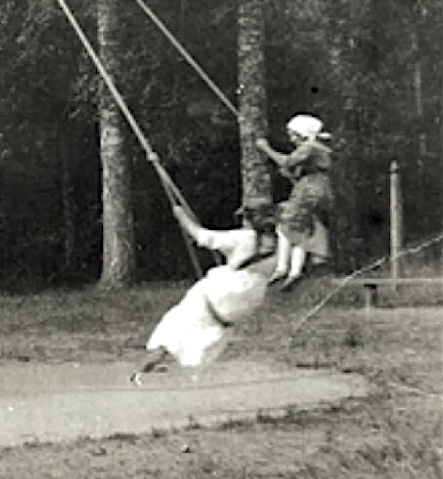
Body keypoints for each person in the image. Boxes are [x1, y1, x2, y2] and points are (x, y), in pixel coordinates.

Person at [130, 197, 278, 386]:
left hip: (223, 291)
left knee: (174, 325)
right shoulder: (280, 246)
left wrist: (182, 217)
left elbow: (202, 237)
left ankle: (143, 370)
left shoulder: (244, 238)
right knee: (210, 329)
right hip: (249, 298)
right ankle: (184, 368)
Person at [256, 113, 333, 291]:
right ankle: (294, 272)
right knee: (300, 230)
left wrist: (265, 148)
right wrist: (289, 173)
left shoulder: (310, 147)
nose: (291, 139)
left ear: (302, 134)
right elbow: (295, 172)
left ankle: (282, 268)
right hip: (316, 189)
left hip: (308, 191)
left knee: (284, 226)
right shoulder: (316, 149)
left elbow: (288, 161)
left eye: (293, 135)